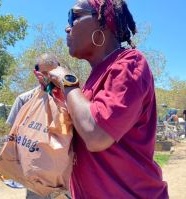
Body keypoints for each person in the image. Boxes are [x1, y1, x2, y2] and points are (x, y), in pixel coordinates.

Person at [35, 0, 168, 198]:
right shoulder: (93, 79)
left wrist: (67, 81)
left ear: (103, 21)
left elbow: (96, 135)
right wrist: (55, 92)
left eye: (74, 16)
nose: (67, 27)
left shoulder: (130, 63)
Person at [6, 53, 67, 199]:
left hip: (62, 171)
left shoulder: (70, 98)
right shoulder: (24, 100)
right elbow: (13, 136)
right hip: (34, 171)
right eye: (45, 73)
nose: (50, 77)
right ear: (36, 73)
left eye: (54, 73)